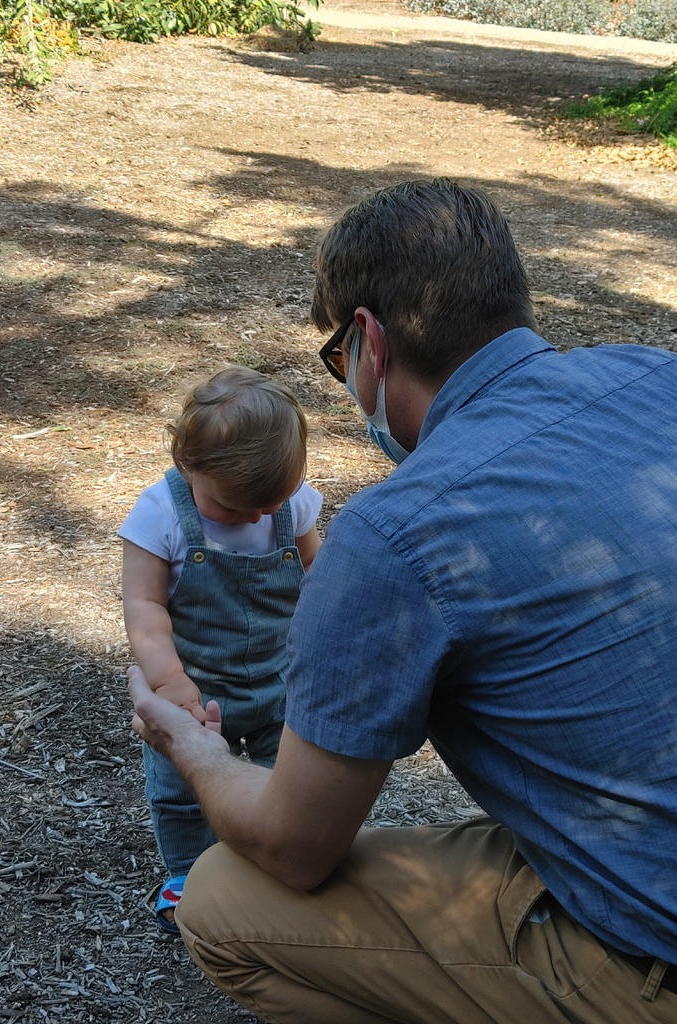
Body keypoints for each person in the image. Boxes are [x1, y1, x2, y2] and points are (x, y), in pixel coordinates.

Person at [127, 178, 677, 1022]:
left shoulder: (398, 534)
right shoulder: (657, 376)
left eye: (338, 359)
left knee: (222, 898)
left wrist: (193, 751)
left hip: (654, 955)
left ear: (368, 342)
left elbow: (295, 849)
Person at [119, 366, 321, 933]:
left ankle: (272, 862)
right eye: (234, 508)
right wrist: (167, 678)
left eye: (271, 504)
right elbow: (144, 605)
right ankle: (189, 873)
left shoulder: (290, 504)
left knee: (292, 777)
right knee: (181, 785)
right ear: (189, 464)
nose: (256, 517)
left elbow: (316, 571)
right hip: (196, 683)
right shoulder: (160, 515)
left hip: (282, 676)